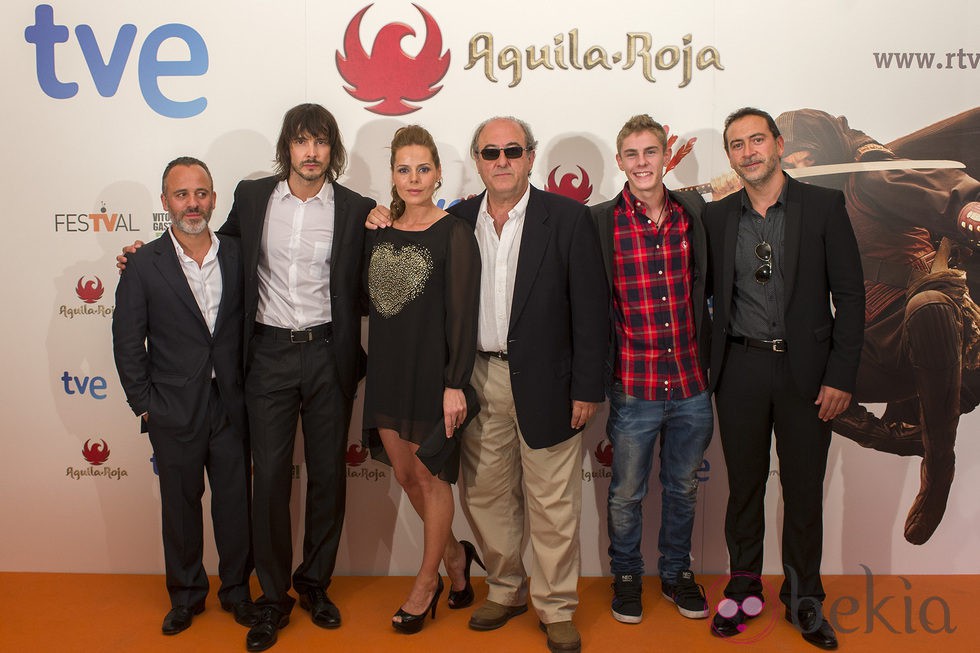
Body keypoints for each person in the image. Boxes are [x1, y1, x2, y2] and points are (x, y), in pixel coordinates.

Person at [118, 105, 375, 652]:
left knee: (329, 478)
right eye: (301, 141)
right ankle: (273, 598)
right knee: (270, 484)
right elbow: (202, 247)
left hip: (331, 355)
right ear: (287, 147)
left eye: (321, 142)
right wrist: (143, 257)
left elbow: (394, 260)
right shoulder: (253, 198)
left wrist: (389, 217)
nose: (311, 152)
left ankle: (315, 586)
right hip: (269, 358)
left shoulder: (358, 210)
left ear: (333, 150)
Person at [369, 116, 608, 653]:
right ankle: (505, 588)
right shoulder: (458, 219)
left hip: (550, 380)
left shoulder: (567, 219)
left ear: (530, 156)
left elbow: (592, 313)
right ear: (476, 160)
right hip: (476, 377)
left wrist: (587, 388)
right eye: (490, 152)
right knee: (484, 495)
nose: (501, 160)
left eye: (512, 151)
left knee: (551, 501)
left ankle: (556, 607)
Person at [775, 108, 980, 545]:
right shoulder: (797, 205)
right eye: (789, 161)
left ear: (829, 149)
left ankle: (939, 468)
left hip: (937, 328)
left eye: (807, 156)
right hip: (872, 348)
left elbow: (945, 193)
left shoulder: (870, 176)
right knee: (785, 362)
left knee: (928, 305)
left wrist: (968, 211)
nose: (800, 168)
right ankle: (903, 438)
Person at [704, 108, 864, 649]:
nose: (748, 152)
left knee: (801, 491)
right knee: (744, 490)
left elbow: (851, 296)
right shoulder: (718, 217)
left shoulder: (822, 207)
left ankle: (803, 599)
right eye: (736, 145)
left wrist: (840, 375)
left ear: (776, 144)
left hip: (808, 374)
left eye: (756, 140)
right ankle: (745, 592)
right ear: (729, 157)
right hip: (739, 370)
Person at [112, 157, 257, 636]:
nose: (192, 204)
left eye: (201, 193)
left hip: (232, 403)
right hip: (173, 407)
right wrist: (145, 403)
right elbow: (128, 340)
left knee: (235, 504)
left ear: (214, 199)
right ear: (165, 203)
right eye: (182, 194)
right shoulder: (142, 264)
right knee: (179, 505)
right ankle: (186, 594)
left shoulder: (239, 254)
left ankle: (237, 591)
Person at [589, 115, 712, 625]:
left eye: (651, 153)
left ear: (667, 157)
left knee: (683, 487)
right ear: (620, 161)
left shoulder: (695, 213)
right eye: (632, 155)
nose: (642, 163)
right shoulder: (599, 221)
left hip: (690, 384)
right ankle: (627, 576)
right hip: (634, 386)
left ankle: (677, 573)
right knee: (626, 493)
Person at [361, 125, 483, 633]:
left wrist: (455, 383)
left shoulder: (454, 231)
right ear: (392, 175)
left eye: (423, 169)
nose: (414, 179)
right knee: (408, 477)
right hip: (386, 374)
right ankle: (457, 557)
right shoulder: (377, 230)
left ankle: (426, 580)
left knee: (433, 481)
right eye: (403, 169)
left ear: (438, 174)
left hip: (434, 380)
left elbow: (462, 316)